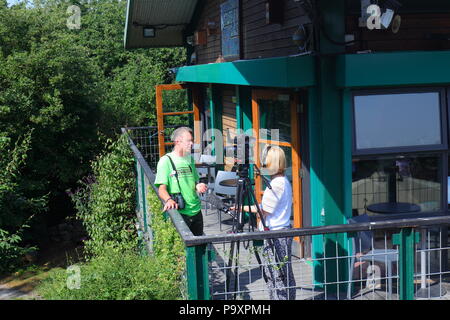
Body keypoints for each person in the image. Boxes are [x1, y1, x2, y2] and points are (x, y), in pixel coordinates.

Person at [232, 145, 296, 300]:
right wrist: (242, 208)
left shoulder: (277, 184)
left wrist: (241, 208)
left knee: (277, 274)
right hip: (278, 231)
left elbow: (264, 211)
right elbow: (265, 208)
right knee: (281, 272)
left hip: (275, 234)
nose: (263, 165)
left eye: (266, 162)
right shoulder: (281, 181)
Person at [154, 127, 208, 236]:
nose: (192, 144)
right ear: (177, 141)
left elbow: (193, 181)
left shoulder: (190, 159)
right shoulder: (166, 161)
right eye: (188, 140)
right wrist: (168, 200)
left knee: (200, 246)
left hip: (196, 210)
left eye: (192, 140)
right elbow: (161, 189)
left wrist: (198, 185)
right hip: (180, 213)